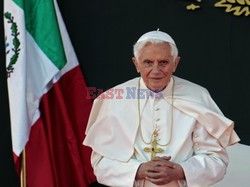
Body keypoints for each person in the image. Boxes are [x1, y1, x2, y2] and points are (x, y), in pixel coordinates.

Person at [83, 30, 240, 187]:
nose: (156, 70)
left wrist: (182, 171)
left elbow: (217, 161)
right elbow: (100, 164)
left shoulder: (197, 96)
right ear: (136, 64)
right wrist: (138, 170)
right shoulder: (114, 99)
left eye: (163, 62)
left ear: (175, 63)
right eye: (148, 63)